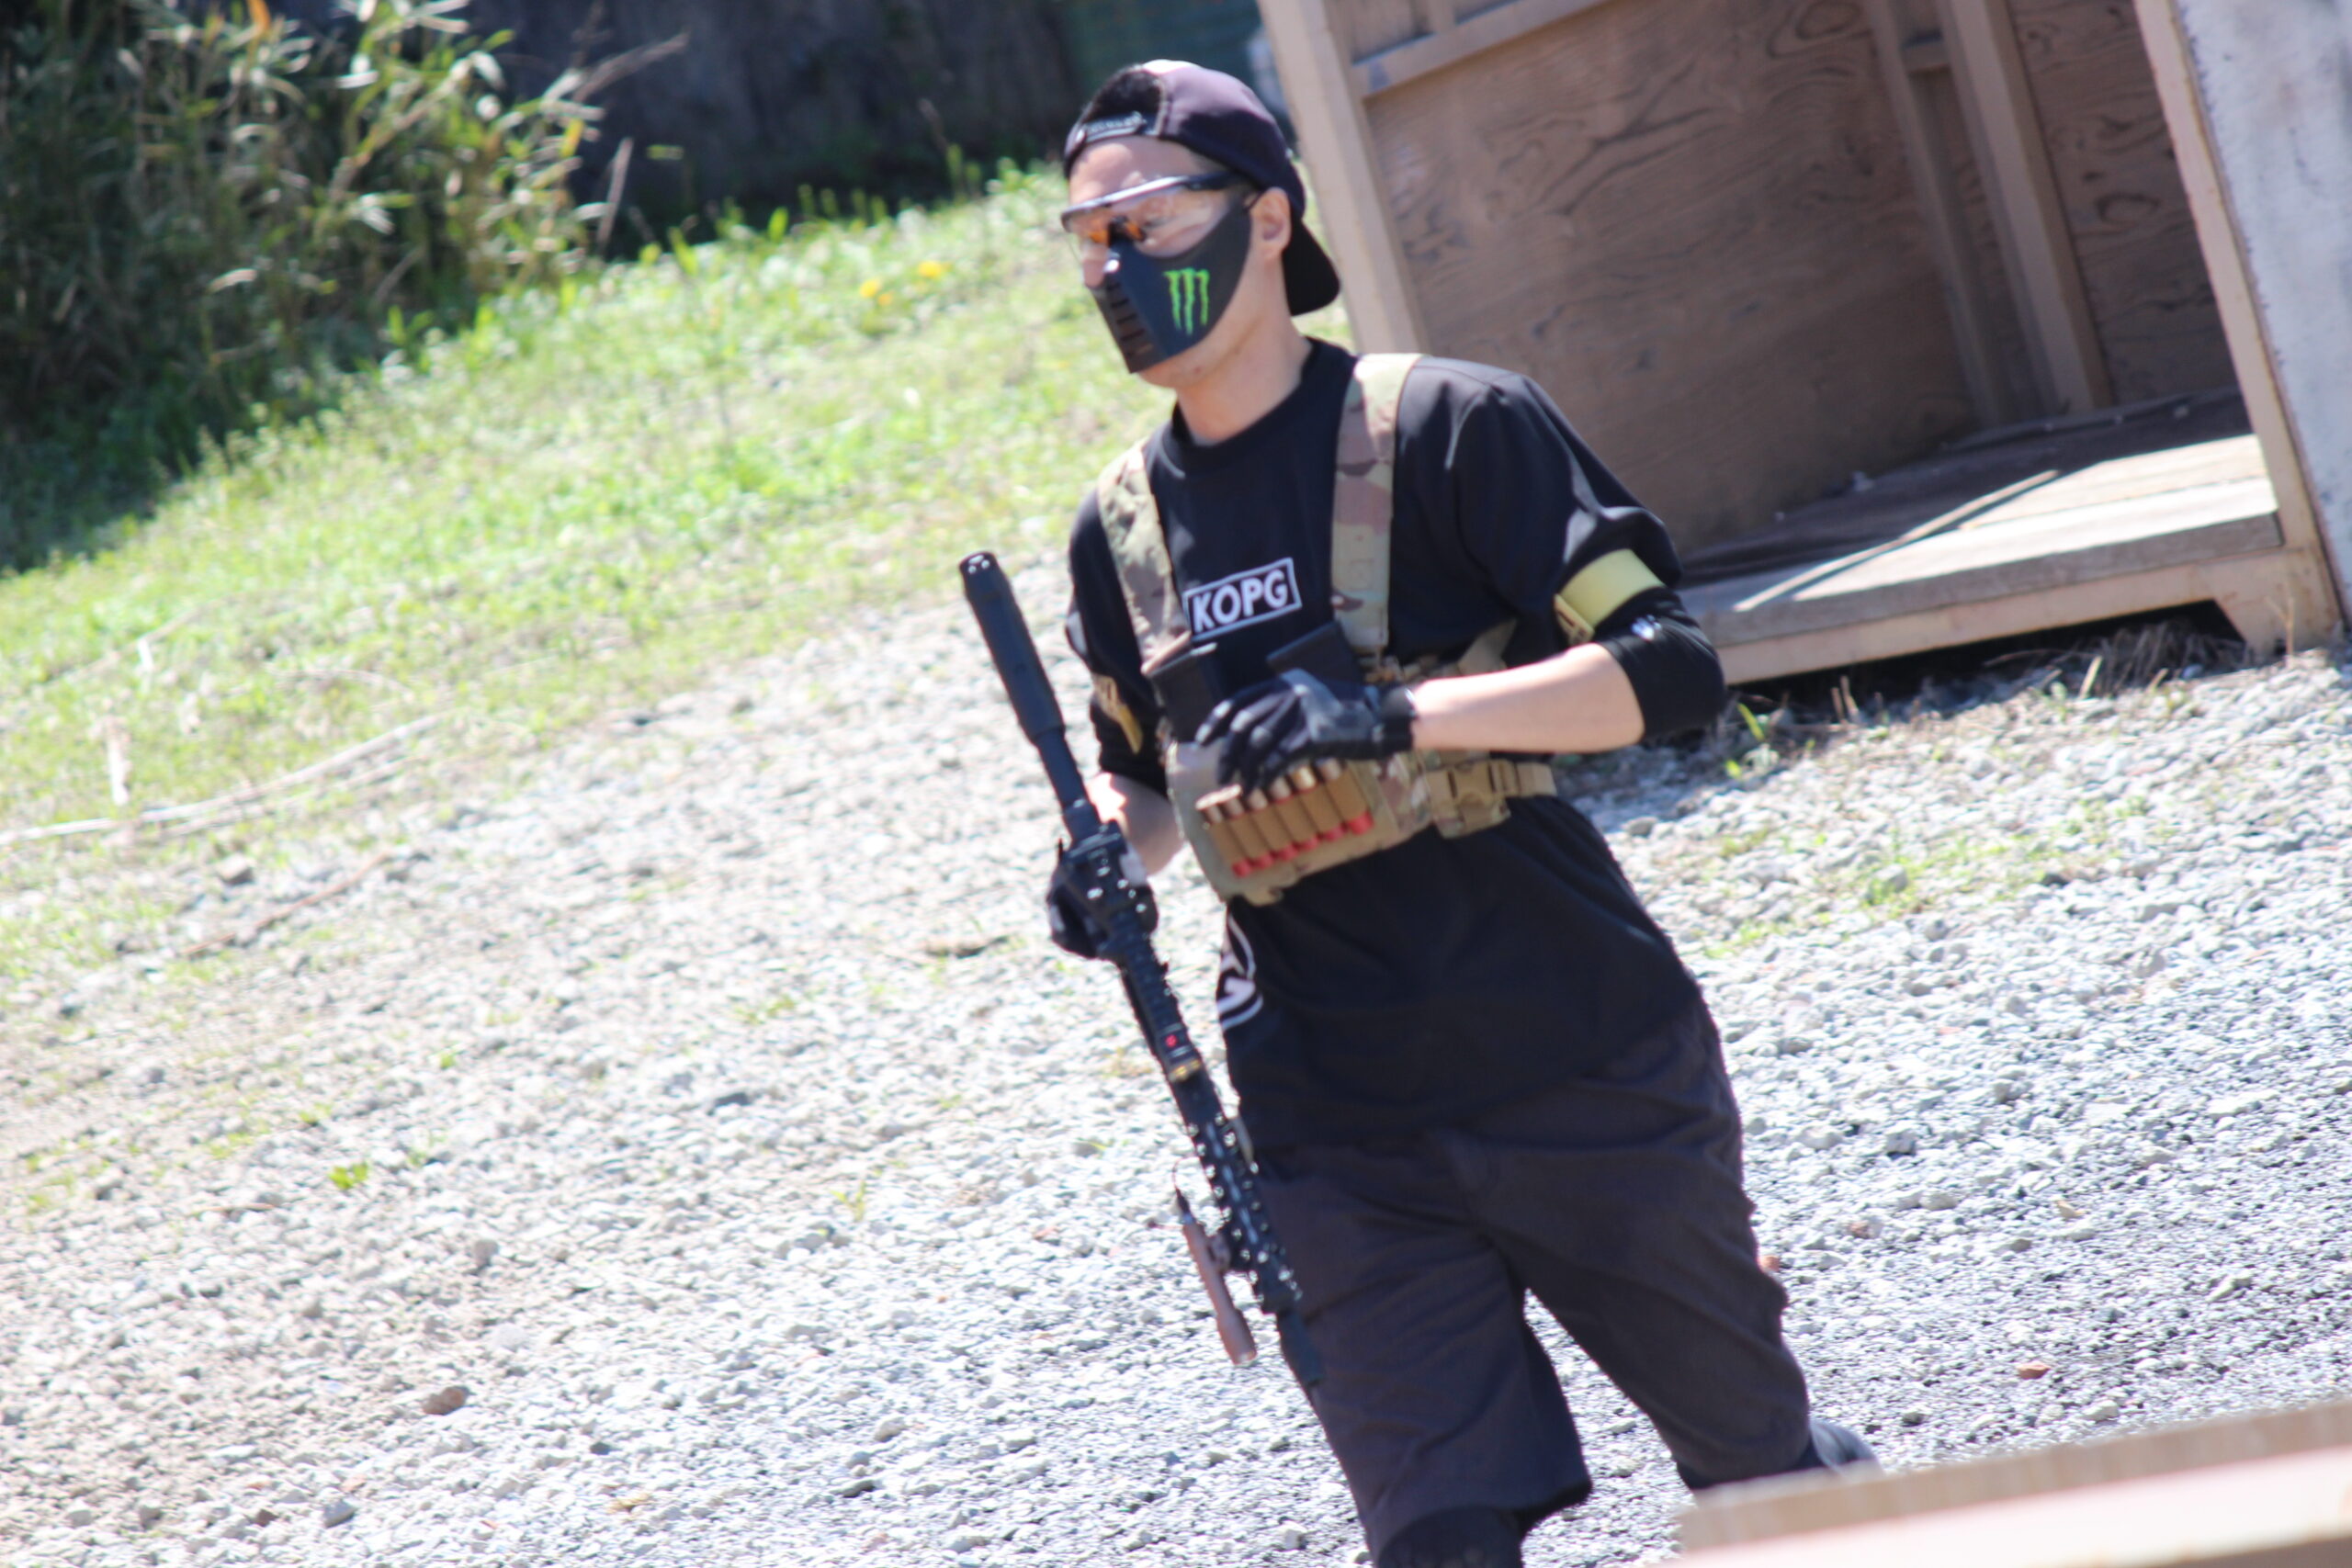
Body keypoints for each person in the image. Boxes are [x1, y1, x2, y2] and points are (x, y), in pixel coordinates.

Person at [1042, 61, 1872, 1568]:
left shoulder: (1450, 424)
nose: (1113, 266)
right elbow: (1146, 773)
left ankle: (1832, 1487)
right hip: (1326, 1122)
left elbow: (1669, 672)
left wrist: (1393, 717)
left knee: (1766, 1492)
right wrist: (1105, 855)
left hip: (1573, 1050)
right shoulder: (1120, 534)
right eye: (1087, 237)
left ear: (1268, 218)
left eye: (1145, 220)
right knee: (1437, 1543)